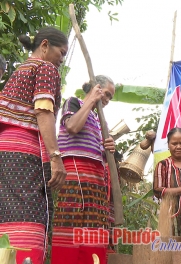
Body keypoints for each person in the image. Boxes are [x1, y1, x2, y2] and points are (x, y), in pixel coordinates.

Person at [0, 27, 68, 264]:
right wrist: (56, 156)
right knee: (30, 213)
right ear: (45, 45)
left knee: (8, 212)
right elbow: (43, 110)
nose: (62, 59)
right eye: (62, 52)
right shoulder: (45, 68)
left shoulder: (21, 70)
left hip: (5, 150)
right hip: (24, 152)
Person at [51, 75, 116, 264]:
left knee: (93, 230)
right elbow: (72, 127)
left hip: (95, 181)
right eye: (106, 94)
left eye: (110, 97)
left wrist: (108, 147)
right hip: (75, 175)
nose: (107, 100)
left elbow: (100, 154)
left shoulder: (99, 121)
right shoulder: (74, 103)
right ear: (96, 88)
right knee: (70, 226)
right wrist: (91, 101)